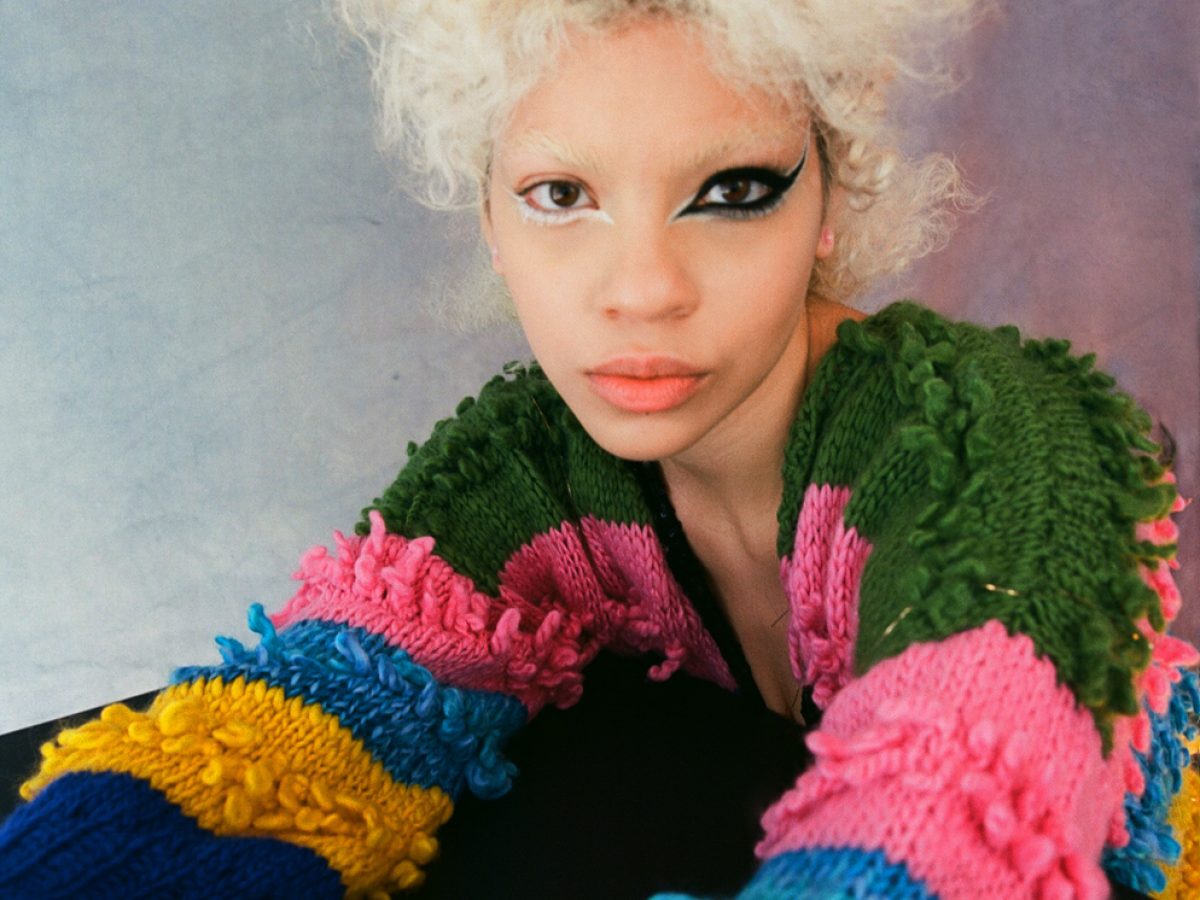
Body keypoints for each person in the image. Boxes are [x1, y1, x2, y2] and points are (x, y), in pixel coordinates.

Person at [1, 1, 1197, 897]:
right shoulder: (537, 468)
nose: (641, 290)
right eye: (562, 195)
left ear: (831, 204)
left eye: (731, 191)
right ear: (488, 218)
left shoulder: (1000, 448)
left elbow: (953, 825)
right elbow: (290, 734)